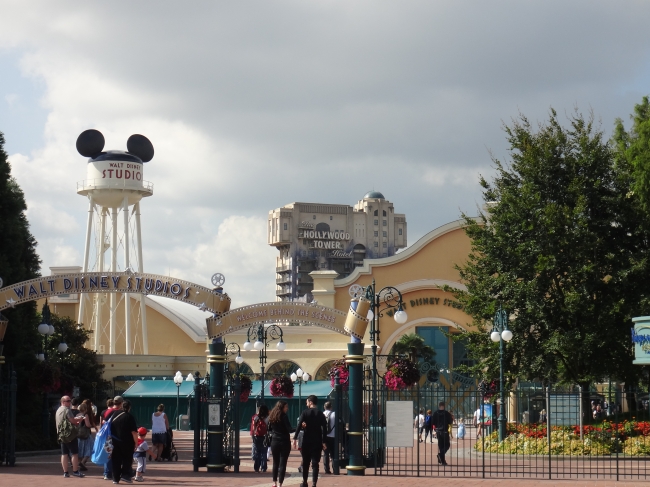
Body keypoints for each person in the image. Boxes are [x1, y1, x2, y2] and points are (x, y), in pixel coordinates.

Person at [293, 395, 327, 487]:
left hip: (307, 441)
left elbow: (299, 425)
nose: (306, 403)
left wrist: (295, 438)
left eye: (307, 402)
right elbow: (324, 428)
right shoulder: (320, 414)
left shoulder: (305, 412)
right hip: (317, 441)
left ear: (311, 402)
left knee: (306, 463)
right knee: (315, 463)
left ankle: (304, 482)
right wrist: (324, 442)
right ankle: (314, 484)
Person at [107, 395, 138, 484]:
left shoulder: (114, 415)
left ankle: (115, 478)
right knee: (127, 459)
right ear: (129, 407)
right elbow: (134, 432)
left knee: (116, 460)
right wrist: (136, 443)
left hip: (115, 441)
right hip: (127, 442)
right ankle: (125, 475)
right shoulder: (129, 417)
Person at [55, 395, 85, 478]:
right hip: (70, 435)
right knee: (74, 453)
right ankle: (75, 471)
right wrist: (80, 419)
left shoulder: (58, 410)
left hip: (61, 434)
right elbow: (73, 421)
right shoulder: (67, 410)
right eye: (68, 401)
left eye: (70, 401)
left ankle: (66, 472)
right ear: (63, 402)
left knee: (64, 453)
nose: (70, 402)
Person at [268, 400, 293, 487]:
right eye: (286, 407)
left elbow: (269, 429)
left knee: (275, 462)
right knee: (283, 463)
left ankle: (274, 482)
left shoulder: (272, 416)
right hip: (284, 441)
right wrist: (300, 427)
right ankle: (280, 483)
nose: (287, 408)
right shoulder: (284, 416)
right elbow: (289, 429)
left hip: (275, 441)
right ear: (282, 407)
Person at [431, 401, 454, 466]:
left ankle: (443, 461)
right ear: (444, 406)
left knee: (441, 446)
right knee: (447, 445)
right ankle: (441, 455)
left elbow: (433, 422)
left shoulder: (435, 413)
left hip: (438, 431)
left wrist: (434, 430)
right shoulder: (446, 413)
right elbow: (450, 422)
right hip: (444, 431)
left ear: (439, 406)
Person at [76, 402, 96, 471]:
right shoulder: (85, 415)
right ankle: (83, 462)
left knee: (80, 449)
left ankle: (80, 463)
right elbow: (87, 425)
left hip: (78, 434)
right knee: (90, 448)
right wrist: (90, 425)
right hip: (86, 434)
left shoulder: (77, 415)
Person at [250, 404, 269, 473]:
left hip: (257, 436)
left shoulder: (256, 417)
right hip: (265, 436)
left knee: (257, 452)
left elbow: (253, 427)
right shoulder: (268, 418)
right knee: (264, 452)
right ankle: (264, 467)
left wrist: (252, 435)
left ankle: (256, 468)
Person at [322, 401, 335, 474]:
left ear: (324, 407)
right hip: (333, 436)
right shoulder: (334, 414)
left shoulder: (322, 414)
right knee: (333, 453)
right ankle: (335, 468)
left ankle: (327, 469)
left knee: (326, 453)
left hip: (324, 437)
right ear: (331, 407)